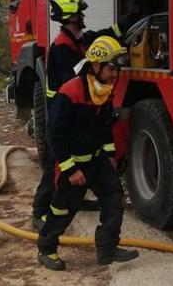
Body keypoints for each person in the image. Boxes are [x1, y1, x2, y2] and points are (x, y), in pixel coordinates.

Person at [37, 35, 139, 270]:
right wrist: (70, 168)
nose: (115, 75)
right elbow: (55, 136)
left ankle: (107, 249)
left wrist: (111, 155)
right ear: (96, 65)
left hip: (96, 160)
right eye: (112, 68)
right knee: (62, 210)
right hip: (72, 166)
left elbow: (104, 127)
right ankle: (46, 248)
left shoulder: (103, 91)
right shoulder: (70, 92)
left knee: (114, 198)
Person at [31, 0, 125, 229]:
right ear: (70, 18)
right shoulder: (62, 47)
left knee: (79, 160)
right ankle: (40, 211)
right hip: (62, 112)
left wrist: (127, 21)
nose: (83, 17)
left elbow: (102, 35)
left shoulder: (78, 39)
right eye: (79, 15)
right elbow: (73, 79)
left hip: (75, 111)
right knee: (57, 163)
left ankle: (77, 199)